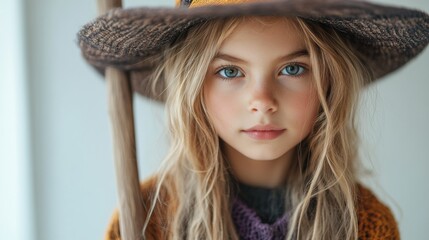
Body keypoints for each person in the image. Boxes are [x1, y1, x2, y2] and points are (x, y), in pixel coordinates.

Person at [78, 0, 429, 239]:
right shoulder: (145, 221)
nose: (262, 102)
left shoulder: (364, 224)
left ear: (330, 80)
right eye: (230, 71)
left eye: (293, 69)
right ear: (192, 85)